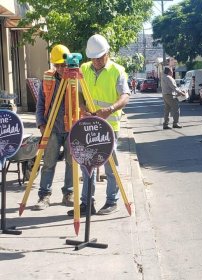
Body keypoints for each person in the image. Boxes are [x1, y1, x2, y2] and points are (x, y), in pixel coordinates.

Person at [67, 34, 130, 216]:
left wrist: (110, 109)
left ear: (107, 53)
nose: (96, 61)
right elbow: (78, 92)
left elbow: (125, 96)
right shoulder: (84, 69)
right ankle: (87, 203)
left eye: (99, 57)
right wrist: (82, 106)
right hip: (88, 125)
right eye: (93, 58)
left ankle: (112, 201)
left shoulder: (117, 70)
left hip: (109, 126)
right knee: (88, 164)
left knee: (111, 167)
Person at [33, 44, 74, 210]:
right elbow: (41, 104)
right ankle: (44, 196)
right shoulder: (48, 78)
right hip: (51, 128)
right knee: (48, 163)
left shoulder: (77, 77)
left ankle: (68, 194)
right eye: (57, 65)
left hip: (71, 127)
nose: (61, 69)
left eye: (63, 65)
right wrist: (40, 123)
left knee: (72, 163)